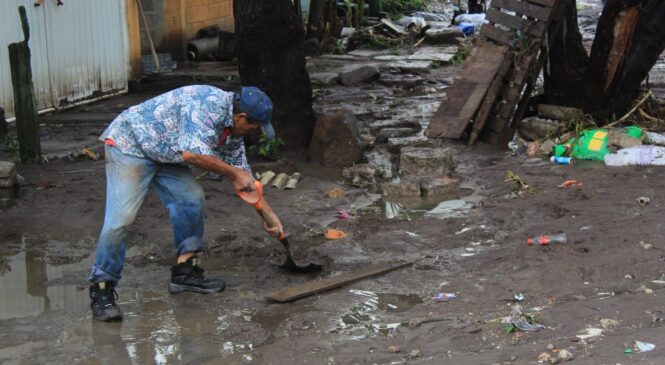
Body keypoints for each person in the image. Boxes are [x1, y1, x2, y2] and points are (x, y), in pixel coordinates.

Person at [87, 85, 284, 322]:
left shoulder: (233, 132)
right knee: (121, 219)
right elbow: (193, 155)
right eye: (254, 126)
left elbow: (246, 181)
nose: (254, 131)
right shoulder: (207, 105)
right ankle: (102, 288)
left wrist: (270, 218)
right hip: (131, 145)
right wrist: (235, 175)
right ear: (241, 117)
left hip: (166, 152)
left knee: (191, 199)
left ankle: (185, 271)